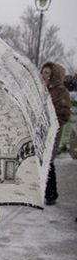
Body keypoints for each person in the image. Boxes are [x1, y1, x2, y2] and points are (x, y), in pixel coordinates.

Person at [40, 62, 71, 205]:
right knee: (39, 160)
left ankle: (51, 194)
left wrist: (52, 121)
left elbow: (65, 113)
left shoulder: (60, 91)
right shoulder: (40, 88)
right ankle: (40, 191)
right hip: (39, 130)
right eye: (43, 72)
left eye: (47, 72)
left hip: (52, 131)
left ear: (53, 75)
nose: (43, 75)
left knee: (48, 161)